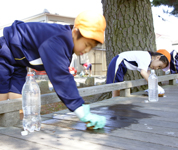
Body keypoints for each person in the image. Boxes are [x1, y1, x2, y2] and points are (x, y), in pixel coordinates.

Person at [0, 10, 106, 129]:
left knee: (19, 102)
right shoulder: (59, 40)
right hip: (5, 52)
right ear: (75, 32)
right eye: (86, 44)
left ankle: (15, 131)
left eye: (91, 47)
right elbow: (61, 78)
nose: (87, 50)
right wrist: (81, 110)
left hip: (19, 62)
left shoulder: (66, 47)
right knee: (2, 97)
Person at [106, 49, 171, 97]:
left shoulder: (149, 62)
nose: (157, 68)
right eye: (159, 66)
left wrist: (155, 86)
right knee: (116, 86)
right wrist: (154, 85)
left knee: (118, 86)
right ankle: (114, 104)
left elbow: (148, 75)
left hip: (122, 65)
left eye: (159, 68)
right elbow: (143, 72)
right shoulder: (146, 57)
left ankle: (116, 103)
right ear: (157, 57)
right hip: (118, 62)